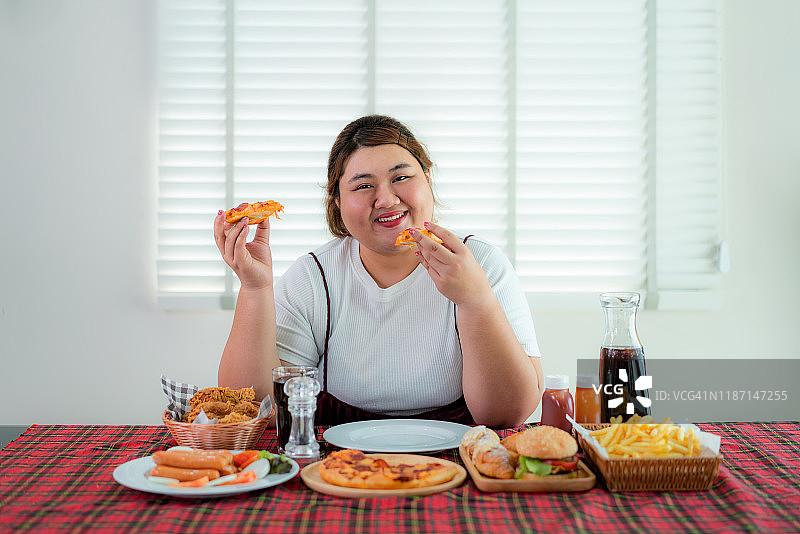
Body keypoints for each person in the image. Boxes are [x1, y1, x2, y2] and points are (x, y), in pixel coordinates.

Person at [214, 115, 543, 428]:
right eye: (363, 186)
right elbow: (256, 406)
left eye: (401, 178)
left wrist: (476, 300)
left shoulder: (480, 262)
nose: (386, 199)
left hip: (460, 459)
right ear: (337, 201)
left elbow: (507, 414)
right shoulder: (314, 276)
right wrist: (254, 288)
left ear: (428, 179)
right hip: (341, 462)